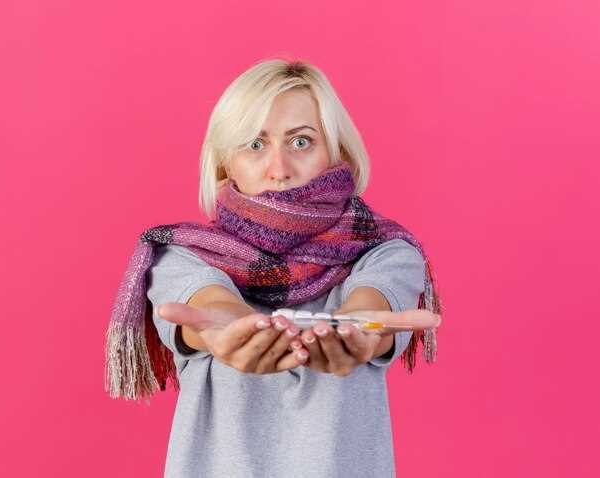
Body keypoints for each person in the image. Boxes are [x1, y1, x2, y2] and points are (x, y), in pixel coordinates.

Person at [105, 58, 443, 478]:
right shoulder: (181, 255)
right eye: (255, 144)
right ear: (227, 163)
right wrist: (224, 328)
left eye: (301, 142)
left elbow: (370, 305)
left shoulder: (386, 252)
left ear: (337, 152)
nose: (279, 169)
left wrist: (362, 332)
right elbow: (210, 302)